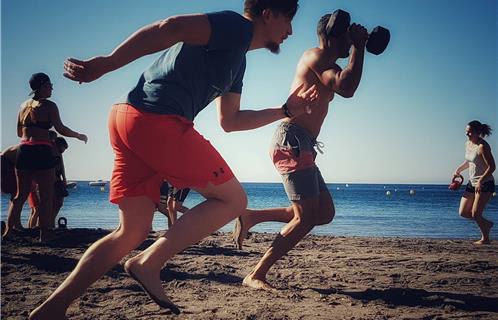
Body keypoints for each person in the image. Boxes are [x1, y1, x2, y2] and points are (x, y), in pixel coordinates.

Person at [29, 1, 318, 318]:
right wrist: (107, 63)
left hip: (129, 119)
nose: (290, 30)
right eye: (288, 20)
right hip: (157, 120)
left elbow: (230, 120)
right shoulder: (236, 27)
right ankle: (148, 262)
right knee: (234, 199)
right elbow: (171, 27)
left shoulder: (238, 60)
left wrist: (285, 111)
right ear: (268, 14)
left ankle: (51, 309)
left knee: (131, 232)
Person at [237, 13, 369, 290]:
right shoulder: (316, 57)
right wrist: (359, 47)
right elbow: (346, 87)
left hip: (303, 143)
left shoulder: (327, 64)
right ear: (334, 36)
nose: (349, 43)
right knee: (306, 216)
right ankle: (256, 274)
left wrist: (359, 46)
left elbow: (342, 80)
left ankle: (252, 216)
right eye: (346, 37)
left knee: (323, 212)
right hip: (292, 140)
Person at [2, 72, 88, 242]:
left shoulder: (23, 106)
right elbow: (61, 128)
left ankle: (7, 233)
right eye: (50, 85)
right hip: (41, 150)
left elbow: (20, 132)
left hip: (24, 150)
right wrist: (78, 135)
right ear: (42, 86)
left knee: (20, 196)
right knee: (47, 196)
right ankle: (44, 234)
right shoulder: (49, 106)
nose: (52, 88)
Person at [453, 120, 495, 244]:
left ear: (478, 132)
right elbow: (469, 161)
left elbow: (492, 167)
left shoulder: (483, 146)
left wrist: (480, 181)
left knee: (476, 214)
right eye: (466, 132)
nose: (467, 134)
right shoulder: (468, 144)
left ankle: (485, 239)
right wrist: (458, 170)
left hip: (485, 183)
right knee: (463, 212)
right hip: (472, 183)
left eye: (470, 132)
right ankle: (486, 224)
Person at [51, 136, 70, 229]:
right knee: (52, 203)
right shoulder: (50, 151)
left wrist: (64, 178)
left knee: (59, 203)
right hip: (51, 180)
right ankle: (49, 223)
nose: (62, 152)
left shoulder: (59, 154)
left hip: (58, 179)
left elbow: (61, 166)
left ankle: (51, 222)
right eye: (62, 150)